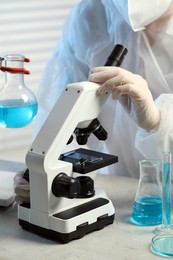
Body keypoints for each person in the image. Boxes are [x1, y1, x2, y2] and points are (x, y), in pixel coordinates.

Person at [14, 0, 173, 204]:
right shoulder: (90, 15)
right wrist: (42, 170)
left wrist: (157, 122)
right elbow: (58, 110)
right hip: (115, 188)